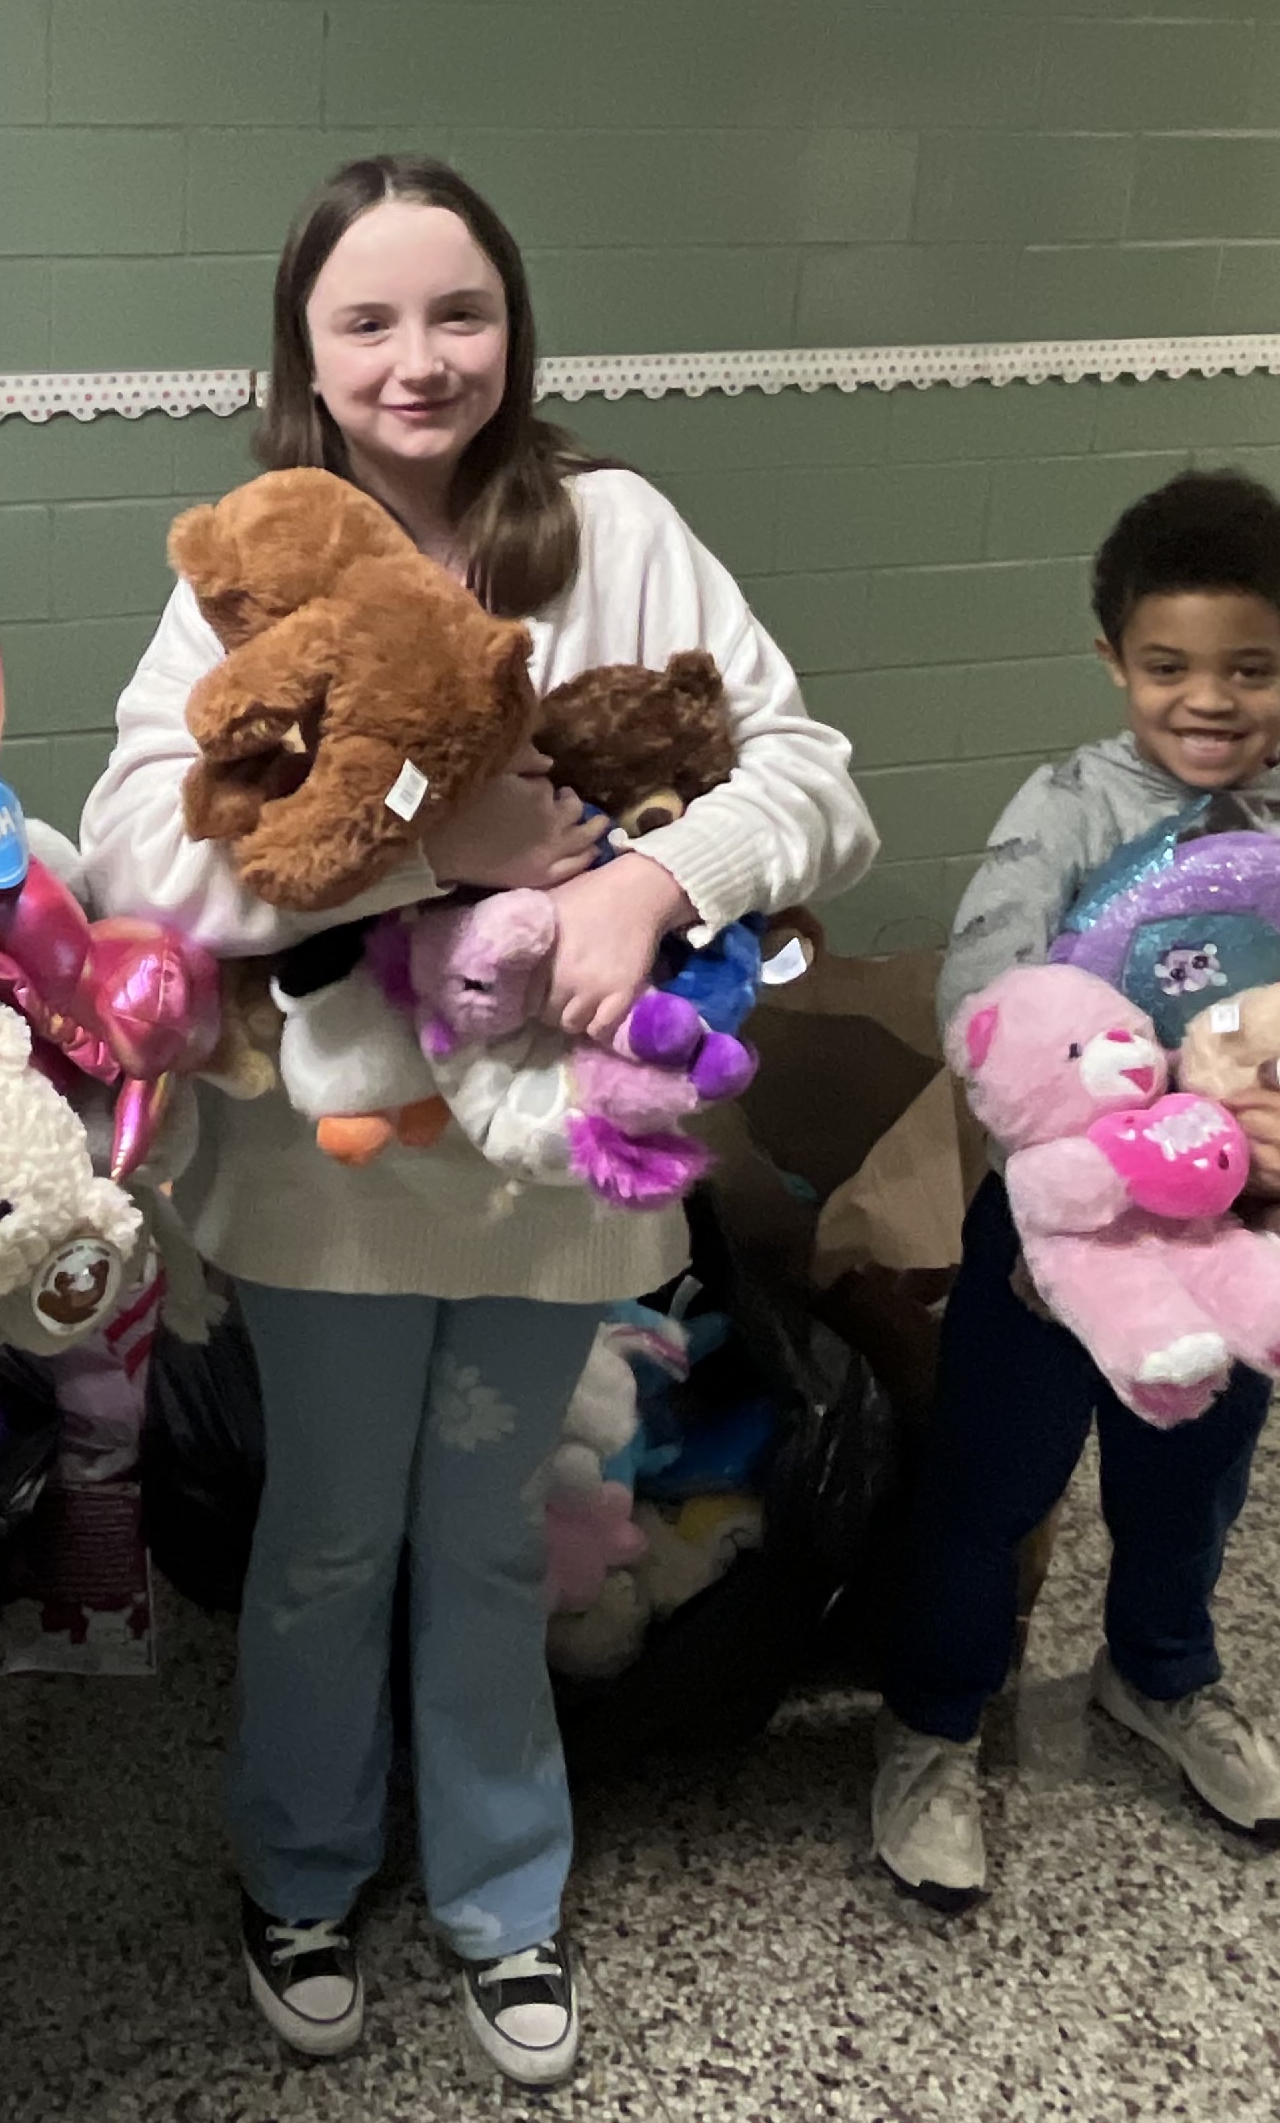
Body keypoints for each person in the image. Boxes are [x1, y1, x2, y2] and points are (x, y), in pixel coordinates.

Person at [80, 155, 876, 2090]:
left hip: (554, 1180)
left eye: (459, 313)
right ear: (305, 349)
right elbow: (138, 869)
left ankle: (504, 1894)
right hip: (334, 1186)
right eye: (367, 320)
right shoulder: (251, 577)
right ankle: (302, 1868)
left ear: (514, 327)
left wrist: (646, 888)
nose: (419, 360)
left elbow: (817, 782)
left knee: (496, 1529)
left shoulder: (617, 526)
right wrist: (421, 848)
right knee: (334, 1535)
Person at [871, 467, 1280, 1905]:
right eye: (1167, 667)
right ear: (1113, 662)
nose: (1207, 700)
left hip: (1248, 1242)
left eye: (1248, 669)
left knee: (1191, 1482)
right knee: (987, 1484)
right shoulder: (1065, 814)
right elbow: (981, 1004)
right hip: (1064, 1231)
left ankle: (1159, 1678)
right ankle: (932, 1727)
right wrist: (1110, 1129)